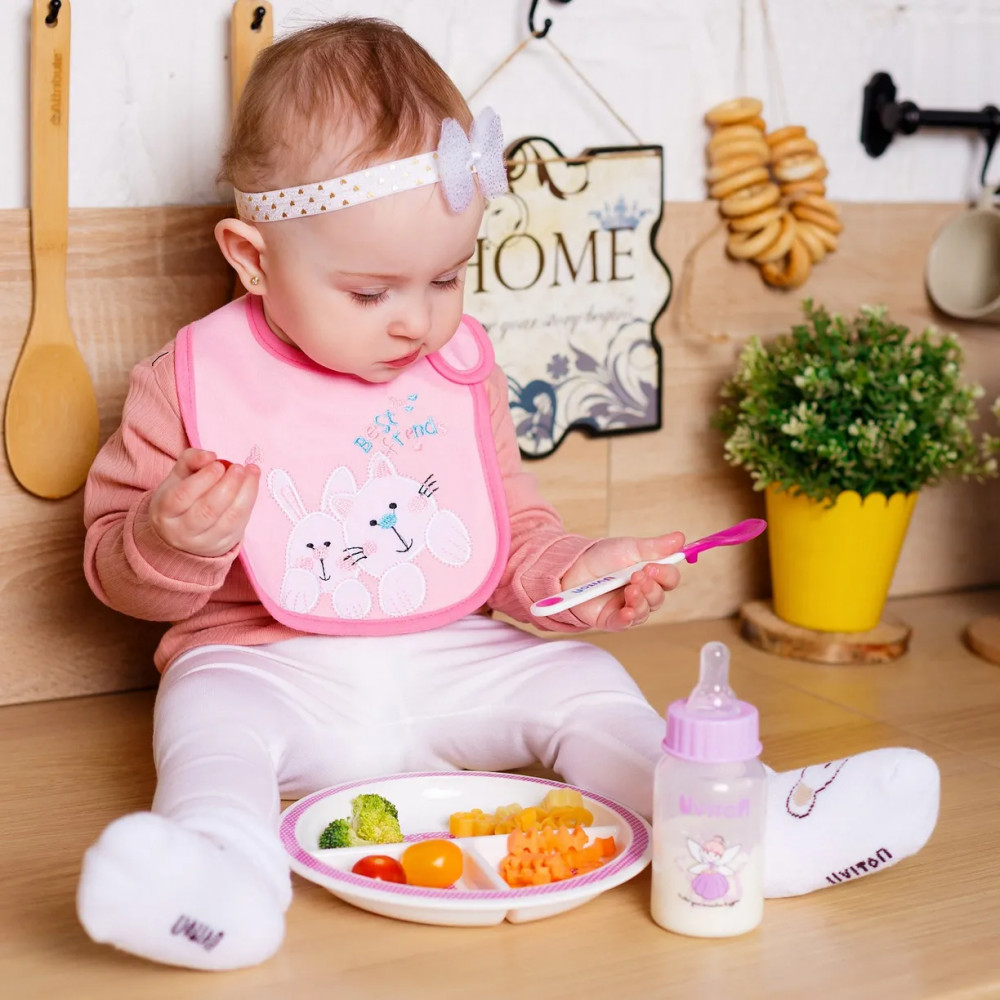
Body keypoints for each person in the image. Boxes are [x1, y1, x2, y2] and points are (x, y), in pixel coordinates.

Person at [76, 17, 939, 972]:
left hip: (450, 659)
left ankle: (737, 823)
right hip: (269, 671)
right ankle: (218, 878)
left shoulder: (459, 369)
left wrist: (579, 572)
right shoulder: (191, 380)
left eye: (448, 276)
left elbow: (507, 533)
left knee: (582, 681)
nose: (417, 321)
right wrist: (170, 539)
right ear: (252, 256)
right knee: (206, 719)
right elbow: (115, 575)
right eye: (369, 292)